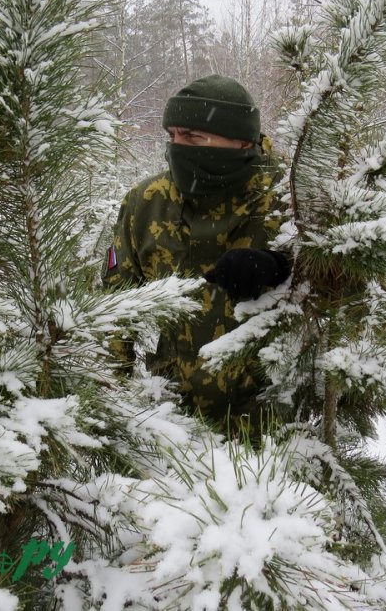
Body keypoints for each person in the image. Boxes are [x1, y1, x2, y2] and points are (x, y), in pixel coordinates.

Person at [102, 75, 290, 434]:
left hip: (272, 425)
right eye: (172, 135)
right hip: (172, 424)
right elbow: (115, 307)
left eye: (192, 137)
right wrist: (110, 410)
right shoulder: (147, 202)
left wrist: (282, 267)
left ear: (240, 140)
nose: (177, 147)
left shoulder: (289, 197)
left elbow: (344, 293)